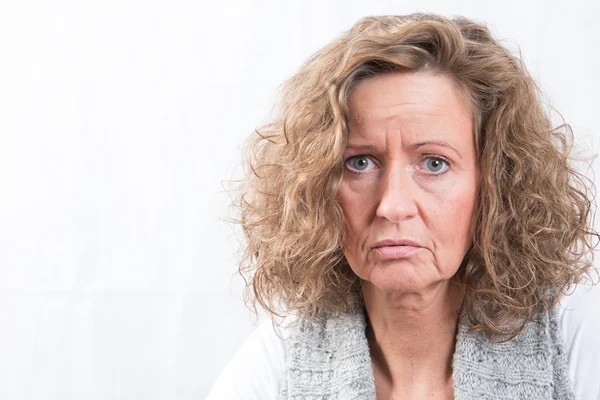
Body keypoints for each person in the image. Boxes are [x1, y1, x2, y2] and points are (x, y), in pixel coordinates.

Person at [208, 13, 600, 400]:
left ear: (496, 183)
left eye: (434, 163)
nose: (392, 206)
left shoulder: (574, 337)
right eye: (360, 163)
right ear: (317, 185)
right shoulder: (281, 361)